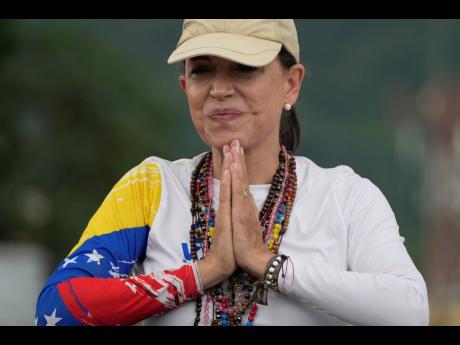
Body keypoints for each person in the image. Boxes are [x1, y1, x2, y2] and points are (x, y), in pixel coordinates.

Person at [35, 19, 429, 326]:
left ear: (291, 85)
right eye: (203, 70)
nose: (219, 89)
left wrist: (268, 264)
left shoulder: (345, 196)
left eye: (244, 68)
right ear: (184, 85)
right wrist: (204, 272)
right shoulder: (152, 187)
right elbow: (57, 309)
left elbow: (409, 310)